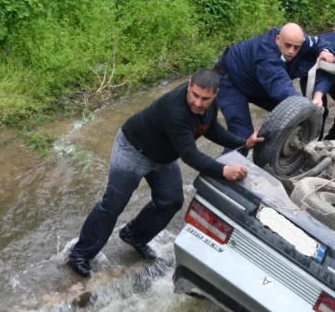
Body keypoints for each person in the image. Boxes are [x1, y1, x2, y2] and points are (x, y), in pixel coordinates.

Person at [67, 69, 264, 277]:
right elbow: (190, 156)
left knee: (171, 201)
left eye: (205, 99)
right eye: (195, 95)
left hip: (164, 155)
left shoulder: (209, 105)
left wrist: (244, 143)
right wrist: (223, 170)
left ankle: (134, 236)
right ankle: (80, 253)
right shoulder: (174, 109)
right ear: (189, 86)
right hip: (133, 150)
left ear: (215, 94)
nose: (198, 103)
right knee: (113, 205)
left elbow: (211, 129)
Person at [215, 23, 335, 141]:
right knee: (242, 135)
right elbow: (282, 87)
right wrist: (308, 107)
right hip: (230, 82)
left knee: (291, 115)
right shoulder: (266, 57)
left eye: (296, 47)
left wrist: (325, 51)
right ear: (277, 39)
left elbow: (319, 42)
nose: (291, 51)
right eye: (287, 45)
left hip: (257, 83)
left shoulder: (296, 39)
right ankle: (233, 155)